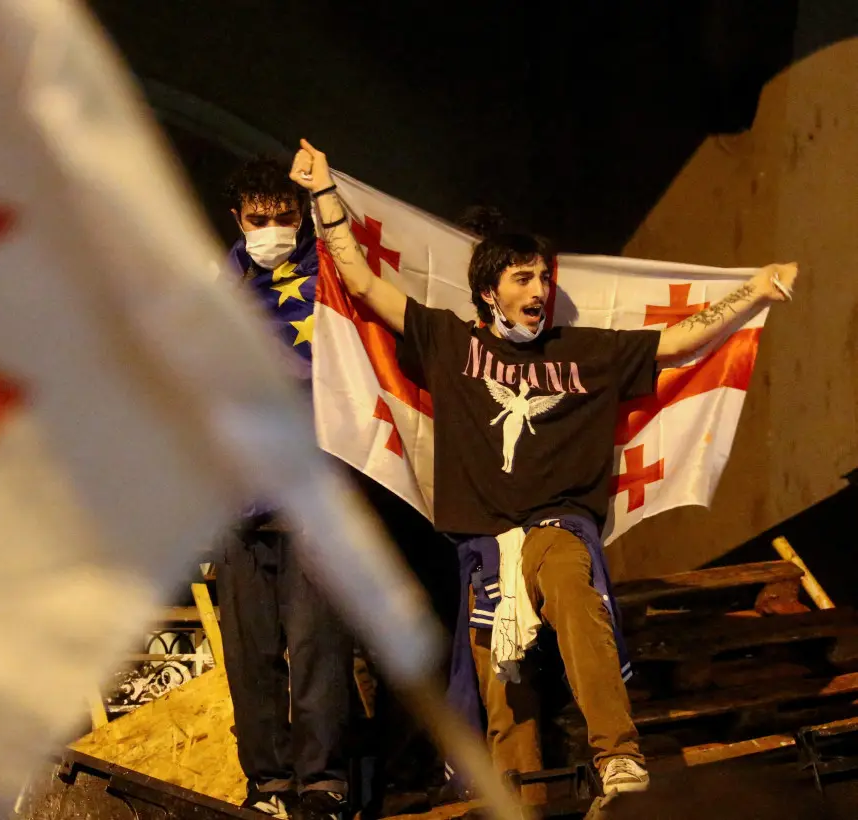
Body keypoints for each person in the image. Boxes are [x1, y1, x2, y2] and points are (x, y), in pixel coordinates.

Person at [288, 139, 798, 798]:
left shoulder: (584, 352)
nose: (539, 290)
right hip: (483, 551)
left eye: (542, 278)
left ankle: (618, 756)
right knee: (508, 700)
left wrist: (755, 288)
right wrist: (325, 192)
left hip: (556, 527)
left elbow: (678, 341)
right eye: (522, 279)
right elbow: (358, 281)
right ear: (488, 291)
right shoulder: (449, 341)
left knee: (572, 590)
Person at [215, 157, 355, 820]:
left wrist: (324, 190)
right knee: (251, 659)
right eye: (258, 219)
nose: (271, 230)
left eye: (283, 217)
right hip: (236, 499)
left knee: (317, 650)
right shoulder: (217, 289)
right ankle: (267, 785)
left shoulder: (331, 276)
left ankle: (323, 784)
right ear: (237, 219)